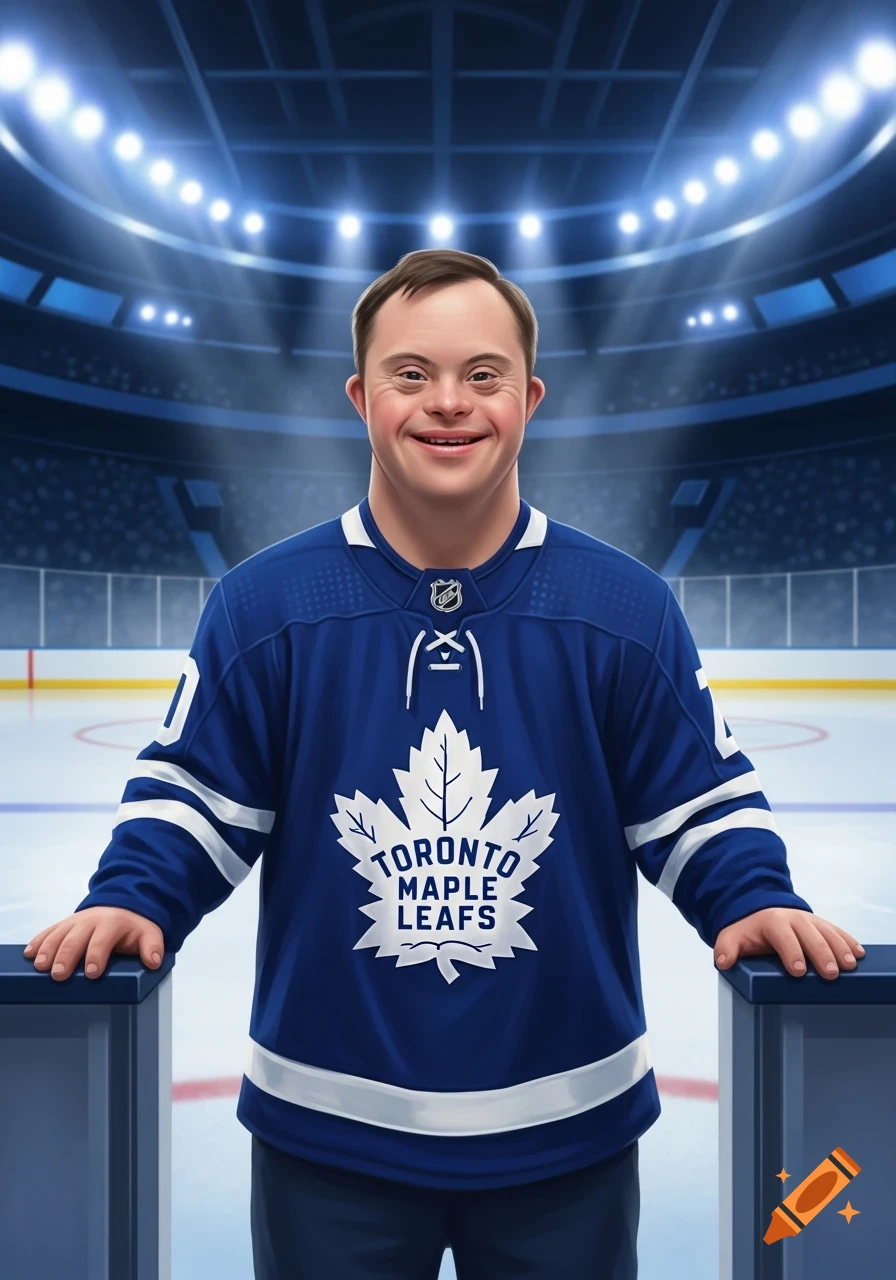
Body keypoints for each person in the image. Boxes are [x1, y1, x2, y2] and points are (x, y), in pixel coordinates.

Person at [23, 249, 865, 1279]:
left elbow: (694, 800)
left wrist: (750, 893)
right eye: (410, 374)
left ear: (529, 397)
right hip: (327, 1128)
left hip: (568, 1128)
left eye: (483, 374)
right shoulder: (264, 604)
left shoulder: (622, 607)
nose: (448, 403)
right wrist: (134, 895)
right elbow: (195, 795)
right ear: (360, 396)